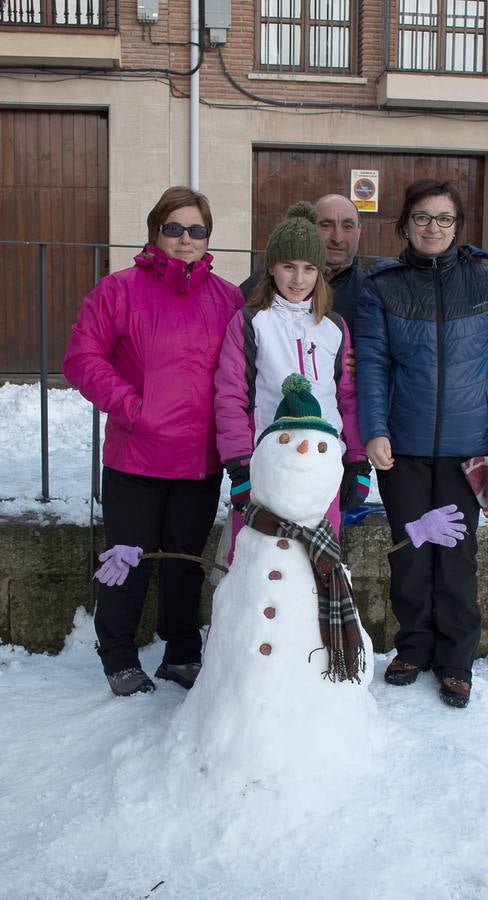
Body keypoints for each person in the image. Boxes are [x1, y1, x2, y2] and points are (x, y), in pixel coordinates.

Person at [355, 179, 488, 709]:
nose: (434, 228)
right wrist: (374, 429)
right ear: (404, 224)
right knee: (411, 553)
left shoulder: (486, 282)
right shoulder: (380, 286)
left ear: (458, 227)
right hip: (402, 449)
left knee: (455, 557)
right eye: (423, 218)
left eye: (445, 219)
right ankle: (413, 647)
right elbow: (373, 364)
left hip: (467, 448)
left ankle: (456, 660)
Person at [62, 186, 244, 697]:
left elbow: (240, 368)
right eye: (174, 228)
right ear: (154, 231)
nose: (185, 239)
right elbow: (82, 359)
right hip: (136, 456)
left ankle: (181, 652)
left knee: (186, 561)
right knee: (126, 559)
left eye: (197, 230)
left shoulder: (227, 297)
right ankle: (117, 654)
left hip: (199, 460)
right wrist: (132, 407)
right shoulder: (117, 291)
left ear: (208, 237)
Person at [214, 201, 369, 554]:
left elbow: (347, 397)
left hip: (323, 467)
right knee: (260, 569)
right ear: (271, 268)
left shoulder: (334, 327)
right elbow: (230, 397)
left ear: (320, 272)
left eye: (309, 268)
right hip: (267, 465)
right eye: (288, 267)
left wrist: (357, 461)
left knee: (316, 569)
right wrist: (239, 467)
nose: (298, 280)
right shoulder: (250, 323)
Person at [239, 194, 365, 332]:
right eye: (326, 225)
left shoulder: (369, 290)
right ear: (309, 227)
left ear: (359, 231)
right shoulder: (263, 282)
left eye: (347, 226)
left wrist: (359, 351)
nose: (337, 238)